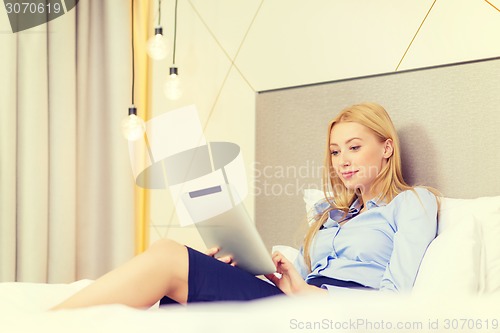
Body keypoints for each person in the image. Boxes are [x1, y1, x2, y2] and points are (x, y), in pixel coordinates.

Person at [51, 102, 439, 310]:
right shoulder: (329, 214)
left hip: (327, 314)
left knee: (169, 255)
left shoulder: (412, 203)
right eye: (336, 151)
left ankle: (48, 325)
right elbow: (301, 276)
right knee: (177, 289)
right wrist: (267, 270)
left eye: (355, 147)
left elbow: (396, 299)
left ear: (387, 147)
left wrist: (309, 296)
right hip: (295, 303)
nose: (342, 160)